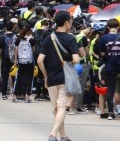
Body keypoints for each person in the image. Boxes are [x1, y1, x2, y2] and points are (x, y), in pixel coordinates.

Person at [37, 11, 80, 141]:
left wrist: (45, 76)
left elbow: (39, 60)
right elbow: (76, 60)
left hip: (51, 78)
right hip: (65, 78)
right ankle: (52, 135)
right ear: (67, 22)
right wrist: (68, 62)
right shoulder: (71, 38)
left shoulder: (48, 38)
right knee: (61, 108)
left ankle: (63, 136)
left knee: (57, 109)